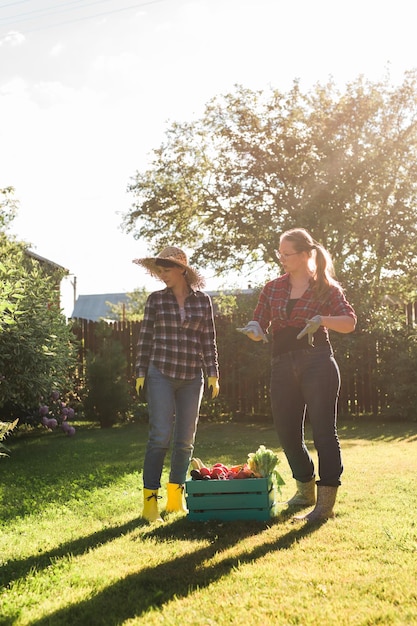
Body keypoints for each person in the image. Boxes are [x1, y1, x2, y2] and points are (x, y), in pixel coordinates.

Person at [238, 228, 356, 523]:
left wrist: (321, 319)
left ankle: (324, 504)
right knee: (287, 433)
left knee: (324, 434)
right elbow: (259, 319)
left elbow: (349, 322)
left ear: (305, 255)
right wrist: (254, 330)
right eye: (280, 253)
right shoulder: (273, 287)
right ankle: (305, 489)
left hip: (317, 361)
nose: (282, 258)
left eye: (287, 253)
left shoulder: (325, 288)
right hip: (281, 363)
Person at [133, 246, 220, 522]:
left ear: (182, 270)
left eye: (166, 269)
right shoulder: (156, 301)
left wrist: (213, 373)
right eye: (159, 270)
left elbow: (209, 340)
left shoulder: (202, 302)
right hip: (160, 372)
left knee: (184, 441)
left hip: (192, 377)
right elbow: (145, 337)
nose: (162, 275)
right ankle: (150, 505)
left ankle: (175, 499)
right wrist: (140, 372)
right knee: (159, 437)